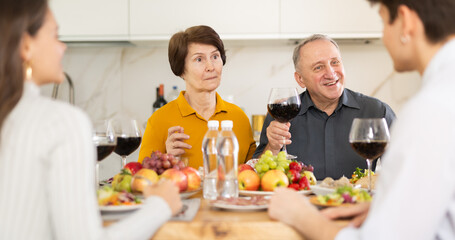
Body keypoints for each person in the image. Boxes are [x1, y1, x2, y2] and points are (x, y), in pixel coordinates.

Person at [268, 0, 455, 239]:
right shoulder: (441, 98)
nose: (384, 36)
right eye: (318, 67)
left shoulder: (429, 110)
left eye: (383, 21)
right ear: (300, 78)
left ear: (406, 21)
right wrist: (385, 208)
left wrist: (301, 215)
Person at [0, 0, 182, 239]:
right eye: (55, 35)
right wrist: (160, 207)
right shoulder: (61, 122)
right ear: (25, 45)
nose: (63, 47)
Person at [254, 34, 396, 179]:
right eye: (318, 67)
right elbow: (257, 177)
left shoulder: (377, 112)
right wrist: (273, 147)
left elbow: (404, 171)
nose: (330, 73)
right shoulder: (281, 115)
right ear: (300, 79)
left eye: (335, 62)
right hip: (299, 201)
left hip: (358, 201)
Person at [138, 25, 256, 169]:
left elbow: (253, 174)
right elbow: (143, 180)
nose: (210, 67)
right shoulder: (159, 121)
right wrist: (166, 160)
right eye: (199, 59)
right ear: (181, 70)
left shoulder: (239, 118)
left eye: (215, 56)